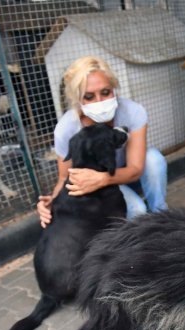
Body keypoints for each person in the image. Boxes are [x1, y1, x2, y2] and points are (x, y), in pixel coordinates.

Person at [37, 56, 168, 227]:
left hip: (125, 175)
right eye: (89, 96)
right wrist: (52, 203)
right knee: (137, 211)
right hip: (98, 187)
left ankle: (161, 217)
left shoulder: (133, 112)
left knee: (153, 158)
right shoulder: (67, 129)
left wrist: (103, 178)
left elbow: (136, 169)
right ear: (77, 99)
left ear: (114, 88)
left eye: (106, 92)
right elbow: (64, 178)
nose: (99, 101)